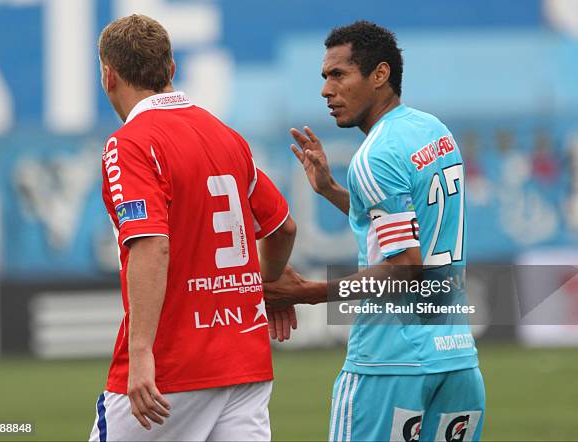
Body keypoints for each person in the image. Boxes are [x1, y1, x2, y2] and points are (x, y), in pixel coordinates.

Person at [264, 21, 485, 442]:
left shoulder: (374, 155)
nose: (326, 91)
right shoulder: (434, 131)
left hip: (390, 363)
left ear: (379, 75)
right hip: (455, 360)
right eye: (325, 78)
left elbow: (406, 270)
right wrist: (331, 190)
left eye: (338, 75)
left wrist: (309, 292)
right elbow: (402, 228)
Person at [90, 14, 297, 442]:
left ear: (109, 76)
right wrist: (269, 283)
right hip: (245, 363)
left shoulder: (128, 143)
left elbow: (151, 245)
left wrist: (142, 352)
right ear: (171, 70)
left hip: (173, 366)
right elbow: (283, 228)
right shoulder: (226, 136)